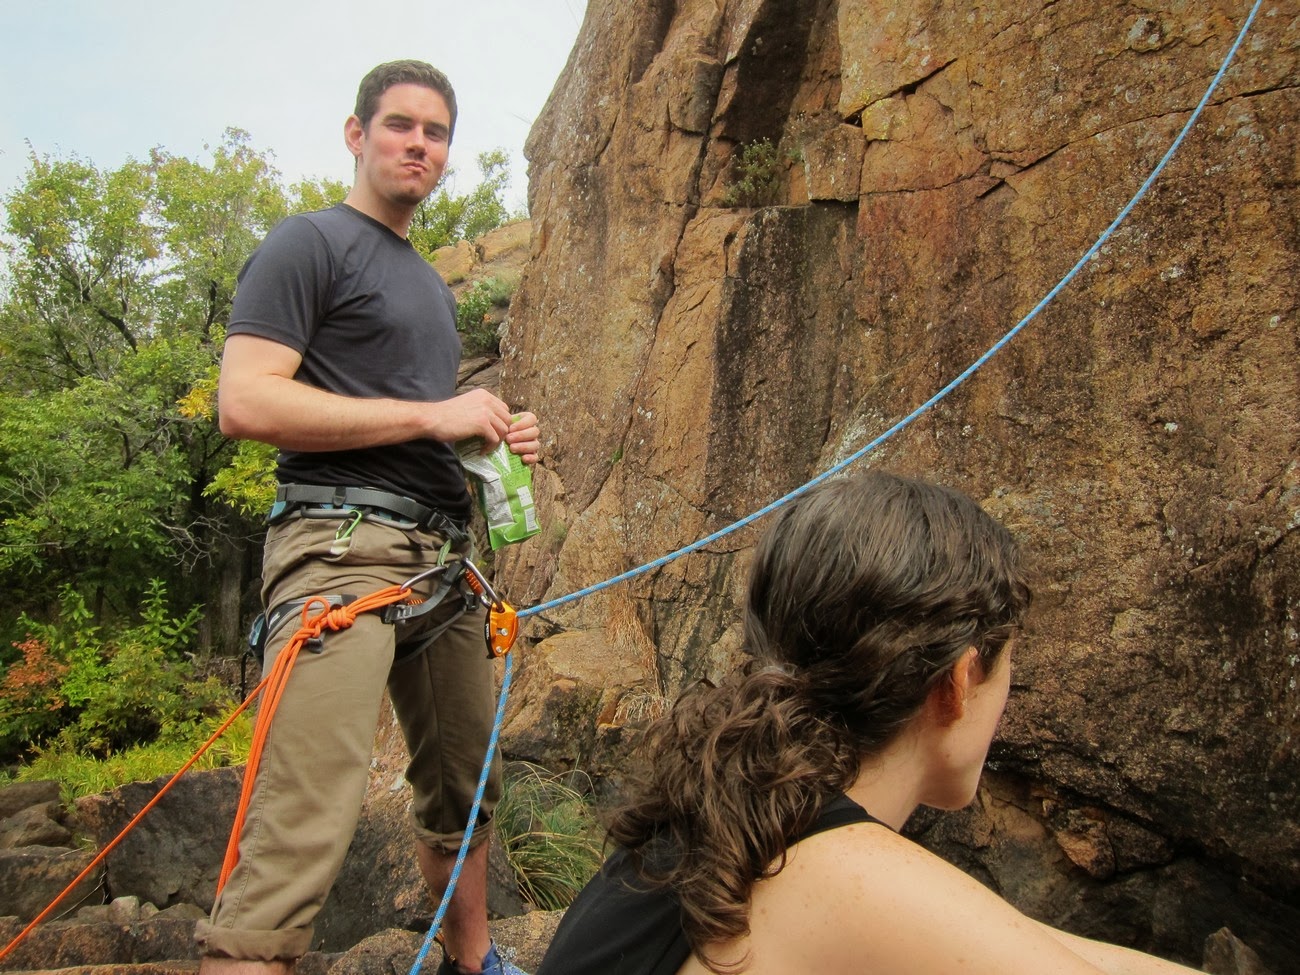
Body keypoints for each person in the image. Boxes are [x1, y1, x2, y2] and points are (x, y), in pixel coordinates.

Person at [537, 470, 1206, 975]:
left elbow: (1029, 941)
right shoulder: (831, 874)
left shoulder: (731, 815)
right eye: (1007, 672)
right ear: (957, 682)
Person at [198, 60, 538, 975]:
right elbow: (246, 402)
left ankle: (475, 962)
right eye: (399, 125)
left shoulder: (427, 285)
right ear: (357, 135)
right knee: (308, 812)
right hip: (340, 550)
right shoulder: (307, 244)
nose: (417, 144)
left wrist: (486, 439)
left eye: (435, 133)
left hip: (441, 563)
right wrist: (435, 413)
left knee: (466, 793)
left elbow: (402, 419)